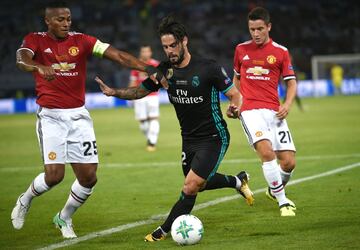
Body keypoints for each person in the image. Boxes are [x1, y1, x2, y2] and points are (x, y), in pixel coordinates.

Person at [11, 1, 166, 239]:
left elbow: (118, 56)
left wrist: (147, 68)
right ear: (48, 21)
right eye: (60, 20)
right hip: (51, 116)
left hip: (79, 116)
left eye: (68, 19)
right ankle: (25, 199)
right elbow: (21, 59)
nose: (66, 23)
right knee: (54, 176)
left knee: (89, 178)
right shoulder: (35, 39)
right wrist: (38, 67)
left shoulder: (82, 40)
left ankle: (64, 217)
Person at [95, 15, 254, 242]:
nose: (169, 51)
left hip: (214, 137)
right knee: (200, 183)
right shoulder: (164, 72)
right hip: (188, 139)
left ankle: (163, 230)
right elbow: (140, 91)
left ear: (184, 41)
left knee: (190, 186)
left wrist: (234, 108)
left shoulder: (208, 68)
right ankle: (238, 181)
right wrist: (115, 92)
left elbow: (235, 95)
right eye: (165, 47)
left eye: (173, 45)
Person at [232, 7, 297, 216]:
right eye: (252, 29)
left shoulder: (281, 51)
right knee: (267, 152)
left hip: (273, 111)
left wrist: (286, 104)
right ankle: (282, 200)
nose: (256, 33)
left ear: (269, 27)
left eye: (260, 28)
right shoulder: (241, 50)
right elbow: (236, 79)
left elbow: (291, 82)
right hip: (250, 110)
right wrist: (236, 102)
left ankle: (273, 188)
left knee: (288, 162)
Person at [128, 45, 160, 152]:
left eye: (147, 51)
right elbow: (133, 81)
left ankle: (152, 142)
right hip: (139, 96)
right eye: (143, 51)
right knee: (143, 123)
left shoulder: (156, 64)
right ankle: (150, 139)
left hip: (152, 96)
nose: (145, 53)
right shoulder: (136, 64)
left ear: (150, 52)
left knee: (154, 118)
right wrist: (130, 96)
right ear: (141, 53)